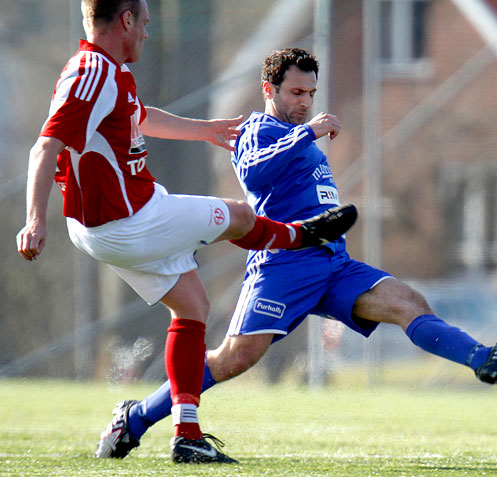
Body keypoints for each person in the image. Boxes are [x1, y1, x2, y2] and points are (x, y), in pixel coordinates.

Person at [94, 47, 497, 462]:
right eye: (295, 92)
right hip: (283, 266)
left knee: (408, 302)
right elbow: (253, 172)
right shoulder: (258, 129)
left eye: (310, 93)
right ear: (268, 90)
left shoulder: (299, 134)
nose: (305, 101)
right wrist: (306, 133)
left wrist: (306, 136)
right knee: (234, 358)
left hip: (334, 264)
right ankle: (132, 419)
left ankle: (481, 359)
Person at [17, 1, 356, 464]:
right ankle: (303, 236)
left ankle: (186, 434)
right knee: (238, 214)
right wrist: (35, 219)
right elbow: (45, 145)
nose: (149, 34)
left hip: (112, 223)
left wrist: (206, 130)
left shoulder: (108, 72)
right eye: (146, 23)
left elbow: (141, 117)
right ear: (127, 20)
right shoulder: (92, 71)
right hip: (128, 220)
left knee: (194, 306)